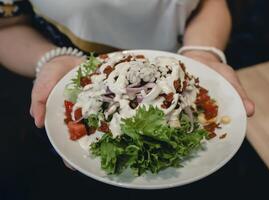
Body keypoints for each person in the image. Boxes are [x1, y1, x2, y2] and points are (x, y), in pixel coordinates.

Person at [0, 0, 254, 156]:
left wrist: (201, 53)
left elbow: (210, 2)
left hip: (184, 88)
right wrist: (53, 59)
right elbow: (7, 24)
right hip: (81, 86)